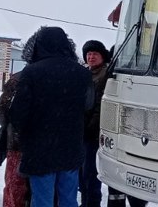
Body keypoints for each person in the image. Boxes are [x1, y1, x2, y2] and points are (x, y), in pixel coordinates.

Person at [9, 27, 93, 207]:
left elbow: (18, 114)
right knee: (69, 199)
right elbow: (88, 106)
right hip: (70, 146)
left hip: (39, 149)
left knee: (42, 200)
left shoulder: (31, 72)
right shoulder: (83, 74)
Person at [80, 40, 110, 207]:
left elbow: (101, 104)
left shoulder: (105, 75)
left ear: (102, 56)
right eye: (89, 54)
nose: (91, 57)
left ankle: (92, 203)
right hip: (81, 130)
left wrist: (91, 126)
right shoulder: (85, 73)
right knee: (81, 173)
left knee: (91, 172)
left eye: (95, 54)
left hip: (93, 132)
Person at [0, 73, 29, 207]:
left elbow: (2, 107)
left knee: (15, 183)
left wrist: (10, 125)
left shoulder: (18, 78)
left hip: (17, 141)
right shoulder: (53, 76)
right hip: (44, 142)